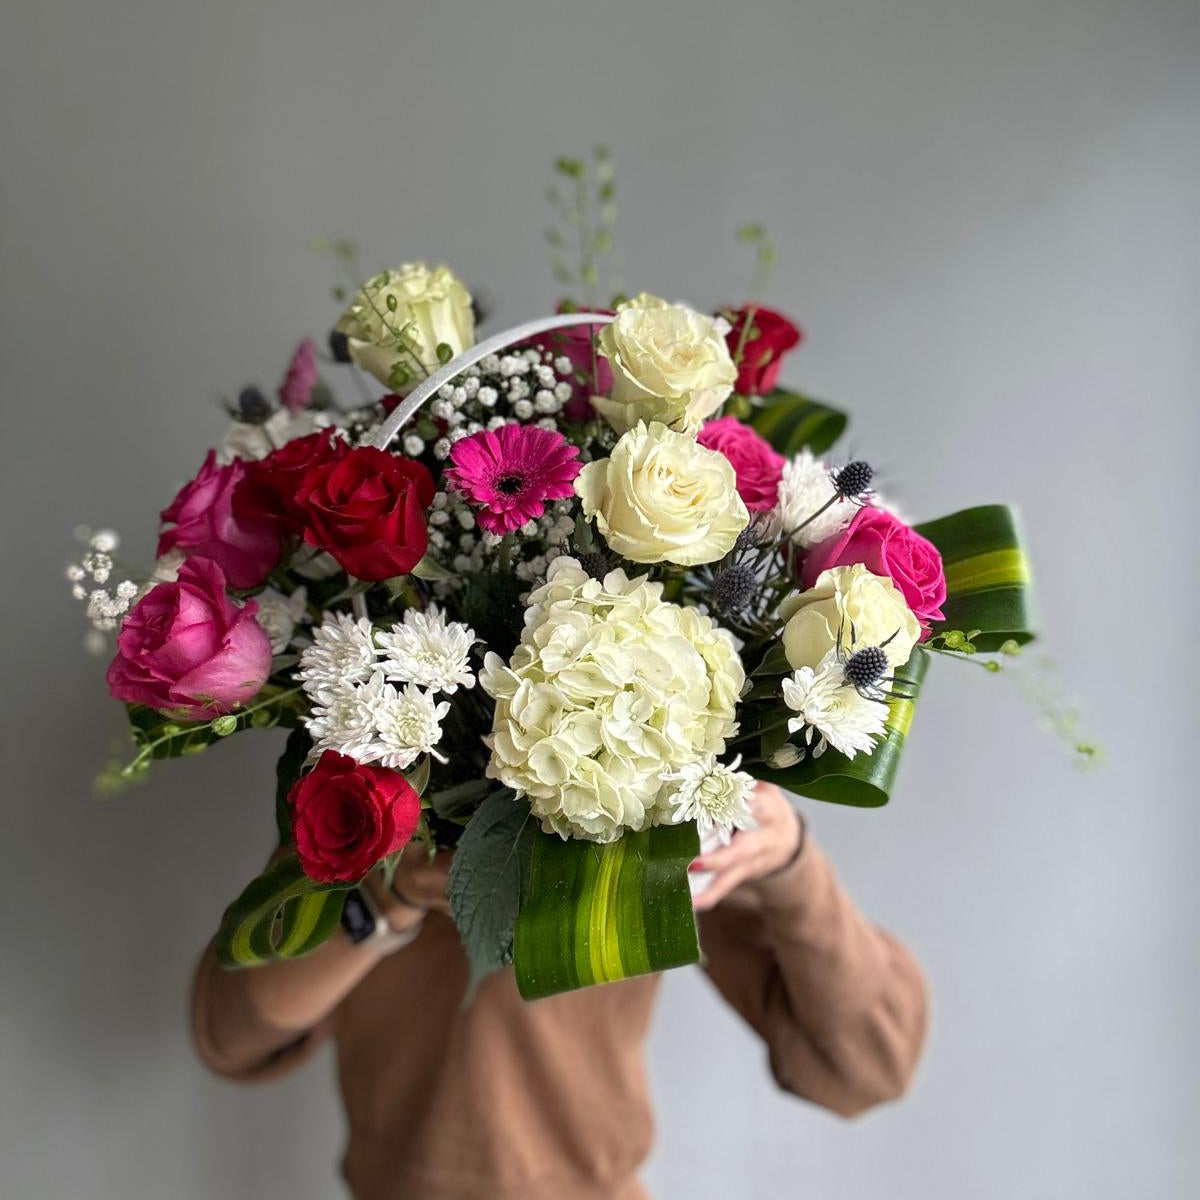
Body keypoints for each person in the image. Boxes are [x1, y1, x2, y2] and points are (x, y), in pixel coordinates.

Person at [192, 782, 927, 1200]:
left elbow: (868, 1065)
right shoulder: (372, 779)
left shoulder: (647, 788)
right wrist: (386, 896)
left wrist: (792, 864)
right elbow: (232, 1033)